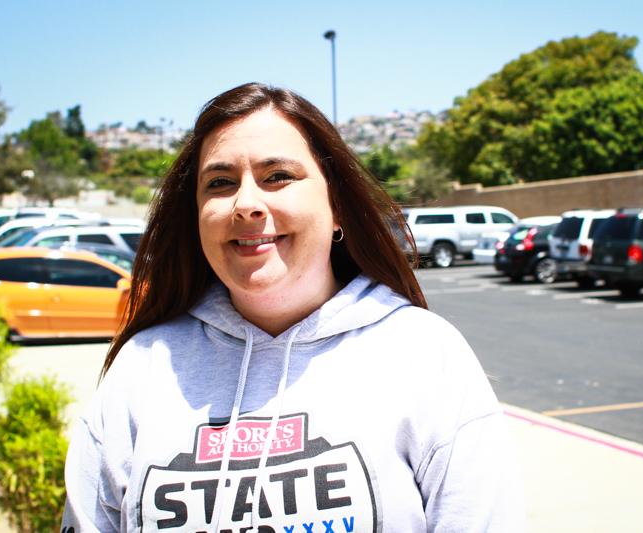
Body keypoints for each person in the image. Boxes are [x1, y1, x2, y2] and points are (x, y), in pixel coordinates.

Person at [62, 83, 523, 532]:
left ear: (336, 205)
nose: (246, 204)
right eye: (220, 183)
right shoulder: (141, 369)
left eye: (277, 176)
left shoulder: (426, 354)